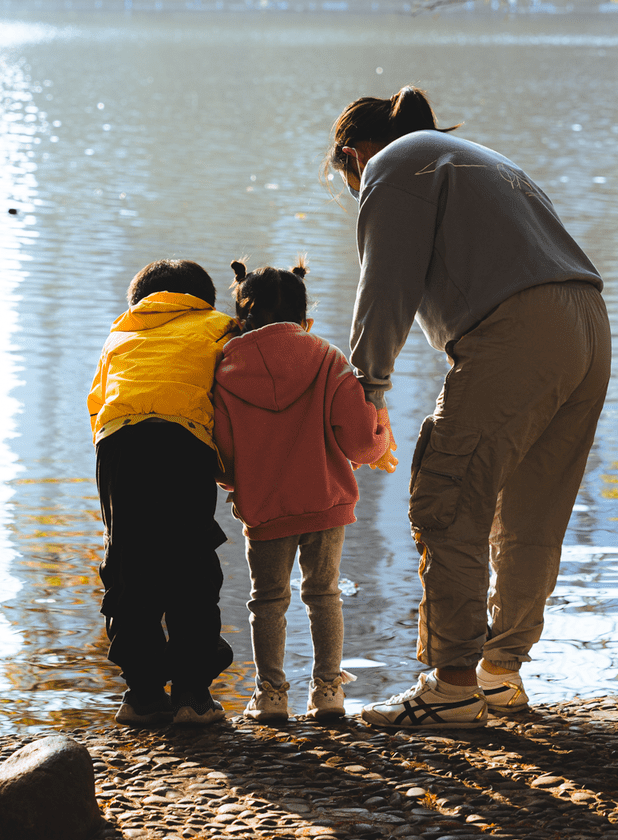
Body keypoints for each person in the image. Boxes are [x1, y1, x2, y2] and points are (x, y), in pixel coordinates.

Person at [327, 86, 611, 729]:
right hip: (588, 321)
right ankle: (500, 674)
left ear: (352, 155)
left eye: (348, 181)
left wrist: (365, 390)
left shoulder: (390, 167)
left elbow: (384, 285)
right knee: (533, 506)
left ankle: (452, 684)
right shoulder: (469, 156)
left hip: (522, 327)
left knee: (446, 491)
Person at [213, 259, 392, 724]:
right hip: (326, 503)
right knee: (324, 594)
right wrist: (378, 439)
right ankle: (328, 690)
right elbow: (358, 440)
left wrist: (241, 483)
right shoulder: (328, 359)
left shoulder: (226, 371)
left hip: (265, 510)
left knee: (267, 600)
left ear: (240, 321)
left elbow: (224, 455)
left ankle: (271, 695)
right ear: (305, 320)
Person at [87, 258, 235, 727]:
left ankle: (143, 693)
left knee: (127, 563)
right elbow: (234, 397)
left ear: (140, 303)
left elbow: (96, 403)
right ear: (203, 300)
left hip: (118, 444)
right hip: (182, 440)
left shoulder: (119, 335)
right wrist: (229, 469)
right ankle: (193, 695)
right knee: (189, 560)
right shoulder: (219, 327)